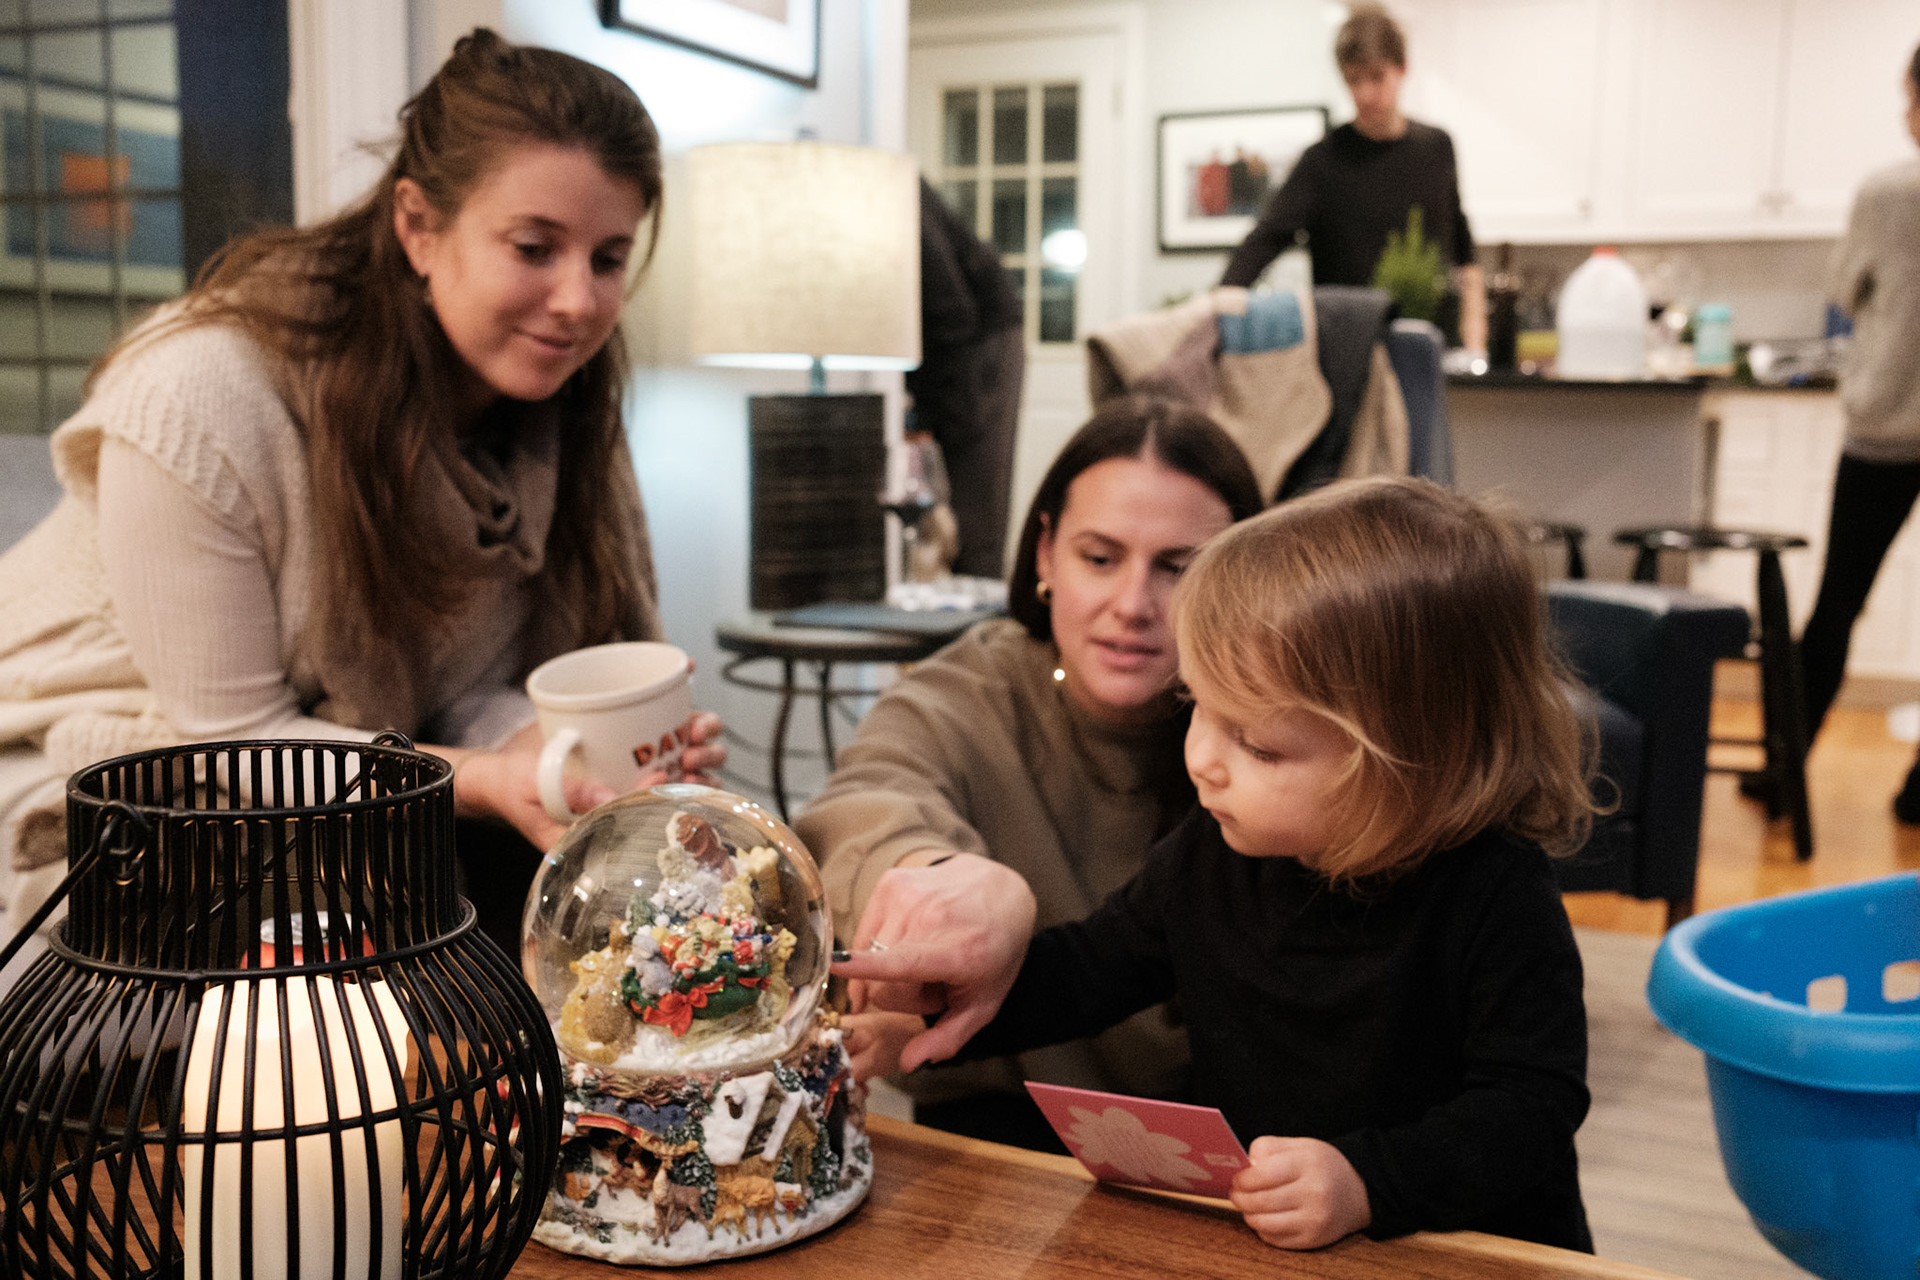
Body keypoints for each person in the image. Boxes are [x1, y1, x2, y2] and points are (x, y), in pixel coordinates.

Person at [0, 29, 722, 962]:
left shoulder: (556, 411)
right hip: (139, 786)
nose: (578, 302)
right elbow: (231, 738)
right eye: (535, 247)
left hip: (375, 771)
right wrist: (483, 777)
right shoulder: (194, 400)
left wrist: (564, 752)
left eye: (608, 259)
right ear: (418, 226)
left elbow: (458, 688)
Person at [839, 477, 1596, 1253]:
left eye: (1257, 744)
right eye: (1196, 704)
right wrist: (930, 1019)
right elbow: (1088, 972)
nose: (1202, 758)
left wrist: (1367, 1182)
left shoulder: (1496, 891)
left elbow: (1529, 1107)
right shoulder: (1212, 855)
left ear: (1412, 758)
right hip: (1278, 1248)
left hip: (1471, 1253)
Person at [795, 394, 1264, 1151]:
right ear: (1045, 553)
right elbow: (869, 795)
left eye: (1178, 568)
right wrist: (944, 879)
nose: (1132, 604)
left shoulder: (1283, 723)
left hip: (1264, 1161)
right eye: (1099, 558)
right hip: (1003, 1150)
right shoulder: (969, 694)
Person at [1792, 44, 1920, 821]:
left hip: (1888, 426)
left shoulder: (1889, 191)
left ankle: (1786, 770)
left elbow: (1845, 288)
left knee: (1838, 603)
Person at [1219, 3, 1486, 353]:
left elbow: (1462, 243)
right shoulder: (1322, 161)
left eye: (1376, 76)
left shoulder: (1436, 147)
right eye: (1353, 80)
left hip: (1432, 344)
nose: (1364, 94)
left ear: (1403, 68)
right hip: (1350, 350)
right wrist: (1219, 303)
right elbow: (1267, 238)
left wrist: (1475, 336)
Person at [910, 177, 1025, 578]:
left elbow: (952, 313)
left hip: (982, 338)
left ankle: (980, 606)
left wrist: (926, 420)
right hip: (951, 344)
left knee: (975, 520)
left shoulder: (893, 191)